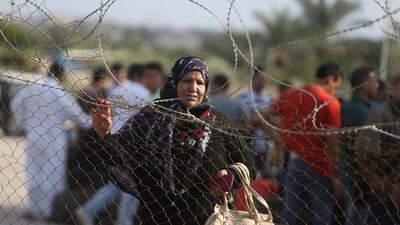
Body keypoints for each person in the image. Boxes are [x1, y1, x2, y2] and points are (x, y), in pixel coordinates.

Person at [91, 56, 255, 225]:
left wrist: (230, 178)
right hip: (156, 218)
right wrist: (104, 134)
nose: (193, 88)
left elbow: (249, 165)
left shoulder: (217, 122)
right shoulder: (152, 117)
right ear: (174, 82)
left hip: (208, 219)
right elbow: (121, 155)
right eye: (187, 81)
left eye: (200, 82)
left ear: (206, 87)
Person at [262, 62, 343, 225]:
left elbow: (264, 116)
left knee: (290, 212)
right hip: (320, 166)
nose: (335, 90)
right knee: (322, 214)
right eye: (335, 86)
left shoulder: (292, 94)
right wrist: (337, 175)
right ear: (329, 80)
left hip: (294, 161)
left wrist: (279, 139)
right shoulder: (330, 102)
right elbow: (333, 141)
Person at [10, 62, 91, 221]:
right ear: (61, 75)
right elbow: (76, 115)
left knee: (33, 171)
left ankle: (32, 209)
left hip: (33, 135)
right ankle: (49, 212)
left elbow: (15, 104)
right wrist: (92, 121)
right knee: (52, 174)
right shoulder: (58, 91)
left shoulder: (33, 88)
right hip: (53, 138)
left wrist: (25, 123)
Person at [75, 65, 141, 225]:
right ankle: (121, 220)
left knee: (120, 181)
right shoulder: (110, 91)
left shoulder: (125, 90)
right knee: (128, 182)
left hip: (118, 141)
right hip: (112, 140)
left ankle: (89, 211)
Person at [354, 74, 400, 225]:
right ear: (395, 88)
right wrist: (377, 182)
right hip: (386, 197)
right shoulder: (381, 115)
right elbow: (362, 152)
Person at [340, 66, 379, 225]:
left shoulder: (351, 106)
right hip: (358, 176)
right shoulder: (362, 112)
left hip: (352, 175)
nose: (377, 84)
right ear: (364, 86)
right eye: (374, 81)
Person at [238, 66, 273, 178]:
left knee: (263, 179)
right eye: (261, 78)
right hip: (247, 145)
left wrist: (256, 119)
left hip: (264, 146)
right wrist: (260, 119)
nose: (263, 80)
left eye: (265, 78)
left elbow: (271, 120)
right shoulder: (243, 96)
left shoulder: (268, 98)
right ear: (253, 78)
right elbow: (244, 118)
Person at [108, 63, 149, 134]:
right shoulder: (109, 89)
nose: (120, 75)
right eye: (117, 73)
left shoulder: (137, 89)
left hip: (130, 131)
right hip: (117, 130)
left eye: (122, 72)